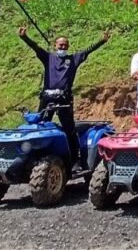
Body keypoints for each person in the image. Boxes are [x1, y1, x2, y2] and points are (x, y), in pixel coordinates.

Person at [18, 25, 110, 171]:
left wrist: (102, 41)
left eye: (65, 45)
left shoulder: (73, 59)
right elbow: (35, 47)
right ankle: (36, 158)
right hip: (47, 98)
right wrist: (24, 37)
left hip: (64, 100)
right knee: (40, 127)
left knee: (69, 129)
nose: (63, 47)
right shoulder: (48, 57)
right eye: (60, 45)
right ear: (55, 45)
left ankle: (75, 160)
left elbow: (88, 50)